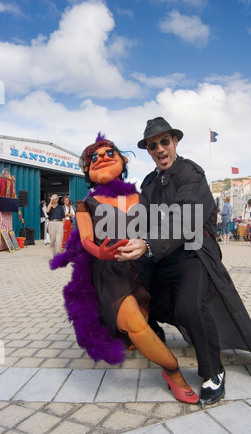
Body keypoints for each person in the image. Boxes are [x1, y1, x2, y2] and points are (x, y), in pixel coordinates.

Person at [116, 116, 251, 406]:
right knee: (128, 285)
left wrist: (148, 243)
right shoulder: (149, 183)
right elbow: (141, 219)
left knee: (190, 306)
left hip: (193, 254)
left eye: (165, 141)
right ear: (148, 150)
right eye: (153, 145)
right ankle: (153, 333)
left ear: (175, 142)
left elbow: (186, 218)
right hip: (161, 257)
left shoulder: (192, 174)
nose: (160, 148)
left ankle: (213, 372)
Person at [50, 132, 200, 405]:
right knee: (135, 323)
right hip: (108, 273)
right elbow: (84, 240)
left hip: (142, 270)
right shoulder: (87, 204)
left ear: (122, 160)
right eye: (93, 157)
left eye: (109, 153)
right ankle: (173, 371)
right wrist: (101, 251)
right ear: (87, 170)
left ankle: (127, 337)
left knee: (139, 320)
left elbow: (163, 228)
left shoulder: (142, 198)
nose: (102, 158)